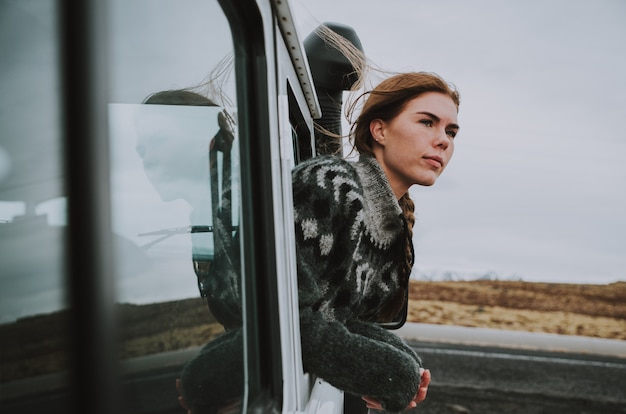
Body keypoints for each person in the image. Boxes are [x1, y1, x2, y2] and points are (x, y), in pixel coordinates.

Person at [176, 70, 460, 414]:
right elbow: (285, 320)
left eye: (450, 131)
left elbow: (342, 322)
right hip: (249, 386)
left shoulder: (393, 226)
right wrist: (391, 373)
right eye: (427, 122)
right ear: (380, 130)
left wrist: (407, 364)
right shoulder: (329, 184)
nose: (443, 140)